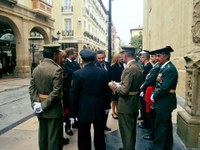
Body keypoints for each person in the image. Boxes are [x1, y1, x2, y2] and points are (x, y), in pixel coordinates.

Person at [69, 48, 110, 150]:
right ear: (95, 59)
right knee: (100, 136)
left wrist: (73, 113)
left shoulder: (77, 74)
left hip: (83, 109)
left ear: (82, 60)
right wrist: (106, 106)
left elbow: (74, 94)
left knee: (84, 137)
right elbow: (106, 91)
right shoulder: (103, 73)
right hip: (99, 108)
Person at [29, 44, 63, 150]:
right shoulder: (57, 69)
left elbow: (32, 89)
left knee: (43, 136)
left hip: (40, 108)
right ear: (54, 55)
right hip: (53, 108)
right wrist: (43, 105)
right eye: (58, 54)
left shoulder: (36, 69)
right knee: (54, 138)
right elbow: (56, 92)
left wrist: (37, 104)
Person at [108, 47, 143, 150]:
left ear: (125, 55)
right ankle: (129, 147)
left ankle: (128, 147)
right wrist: (120, 85)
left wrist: (113, 86)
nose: (121, 56)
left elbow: (124, 91)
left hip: (126, 104)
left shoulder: (129, 69)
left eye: (122, 54)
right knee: (131, 130)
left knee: (126, 131)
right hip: (134, 103)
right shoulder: (137, 66)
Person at [146, 46, 178, 150]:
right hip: (164, 101)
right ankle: (167, 146)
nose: (157, 57)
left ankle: (157, 148)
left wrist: (154, 96)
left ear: (166, 56)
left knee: (160, 126)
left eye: (159, 55)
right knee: (166, 126)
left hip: (165, 102)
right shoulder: (164, 67)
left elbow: (164, 88)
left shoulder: (169, 69)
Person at [140, 50, 161, 141]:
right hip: (149, 90)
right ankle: (151, 131)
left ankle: (152, 133)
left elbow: (149, 79)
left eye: (154, 56)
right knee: (149, 112)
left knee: (150, 113)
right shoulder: (155, 66)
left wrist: (142, 87)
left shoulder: (156, 67)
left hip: (150, 90)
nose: (152, 58)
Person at [63, 47, 80, 135]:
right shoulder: (65, 64)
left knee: (75, 106)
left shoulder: (75, 63)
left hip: (76, 89)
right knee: (68, 109)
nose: (76, 54)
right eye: (75, 53)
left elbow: (78, 71)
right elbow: (72, 73)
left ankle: (75, 122)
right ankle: (67, 126)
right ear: (70, 54)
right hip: (68, 91)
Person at [96, 50, 112, 131]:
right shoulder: (95, 66)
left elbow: (111, 76)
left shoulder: (108, 64)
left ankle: (104, 125)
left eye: (102, 58)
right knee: (100, 111)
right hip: (99, 93)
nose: (101, 60)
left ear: (105, 56)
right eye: (99, 58)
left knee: (107, 109)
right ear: (96, 58)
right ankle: (100, 127)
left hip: (108, 92)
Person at [138, 51, 153, 129]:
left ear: (144, 57)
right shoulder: (146, 65)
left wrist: (142, 89)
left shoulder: (148, 66)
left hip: (146, 90)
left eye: (141, 57)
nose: (140, 59)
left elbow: (146, 80)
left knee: (145, 107)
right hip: (144, 89)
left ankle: (146, 123)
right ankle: (144, 120)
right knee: (143, 107)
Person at [110, 52, 124, 119]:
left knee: (118, 99)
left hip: (120, 84)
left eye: (121, 57)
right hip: (115, 84)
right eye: (119, 57)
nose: (121, 58)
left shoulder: (121, 65)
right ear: (116, 58)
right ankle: (113, 112)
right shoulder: (113, 66)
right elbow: (111, 77)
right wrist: (113, 87)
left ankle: (118, 111)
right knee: (114, 99)